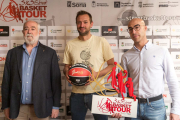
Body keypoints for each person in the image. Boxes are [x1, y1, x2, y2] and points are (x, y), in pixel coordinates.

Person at [114, 18, 180, 120]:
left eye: (137, 27)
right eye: (130, 29)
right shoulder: (126, 56)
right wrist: (121, 106)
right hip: (132, 106)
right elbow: (123, 84)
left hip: (156, 107)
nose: (134, 32)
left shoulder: (161, 51)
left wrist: (175, 110)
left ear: (145, 28)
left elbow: (172, 81)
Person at [1, 20, 61, 120]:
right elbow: (6, 82)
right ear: (23, 32)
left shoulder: (50, 53)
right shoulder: (12, 53)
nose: (29, 31)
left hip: (42, 107)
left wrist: (55, 106)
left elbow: (56, 83)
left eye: (33, 29)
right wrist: (6, 106)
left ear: (39, 32)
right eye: (26, 29)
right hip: (17, 109)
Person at [63, 10, 114, 120]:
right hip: (76, 94)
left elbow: (111, 65)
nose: (82, 25)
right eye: (79, 22)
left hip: (98, 93)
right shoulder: (70, 44)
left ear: (91, 24)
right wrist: (66, 72)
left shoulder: (101, 41)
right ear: (76, 24)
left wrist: (97, 74)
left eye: (85, 22)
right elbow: (66, 66)